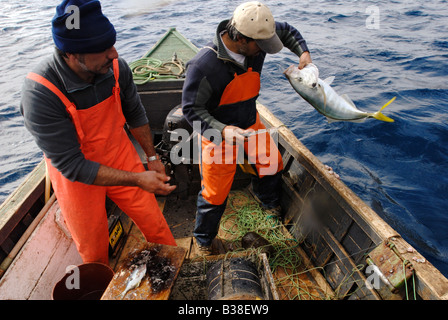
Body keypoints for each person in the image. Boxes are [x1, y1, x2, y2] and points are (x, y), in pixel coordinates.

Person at [20, 0, 177, 265]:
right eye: (102, 50)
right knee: (93, 250)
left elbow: (135, 115)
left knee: (156, 224)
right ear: (71, 53)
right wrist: (138, 180)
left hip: (118, 153)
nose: (114, 54)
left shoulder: (117, 69)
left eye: (112, 44)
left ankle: (174, 271)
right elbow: (71, 165)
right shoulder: (40, 92)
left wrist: (151, 158)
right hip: (76, 177)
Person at [182, 1, 312, 254]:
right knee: (215, 193)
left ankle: (269, 205)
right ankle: (204, 241)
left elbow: (285, 32)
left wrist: (303, 52)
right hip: (217, 133)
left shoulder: (258, 38)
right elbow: (191, 111)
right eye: (260, 46)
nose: (264, 51)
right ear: (240, 38)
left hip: (250, 122)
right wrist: (222, 131)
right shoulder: (203, 66)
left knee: (272, 163)